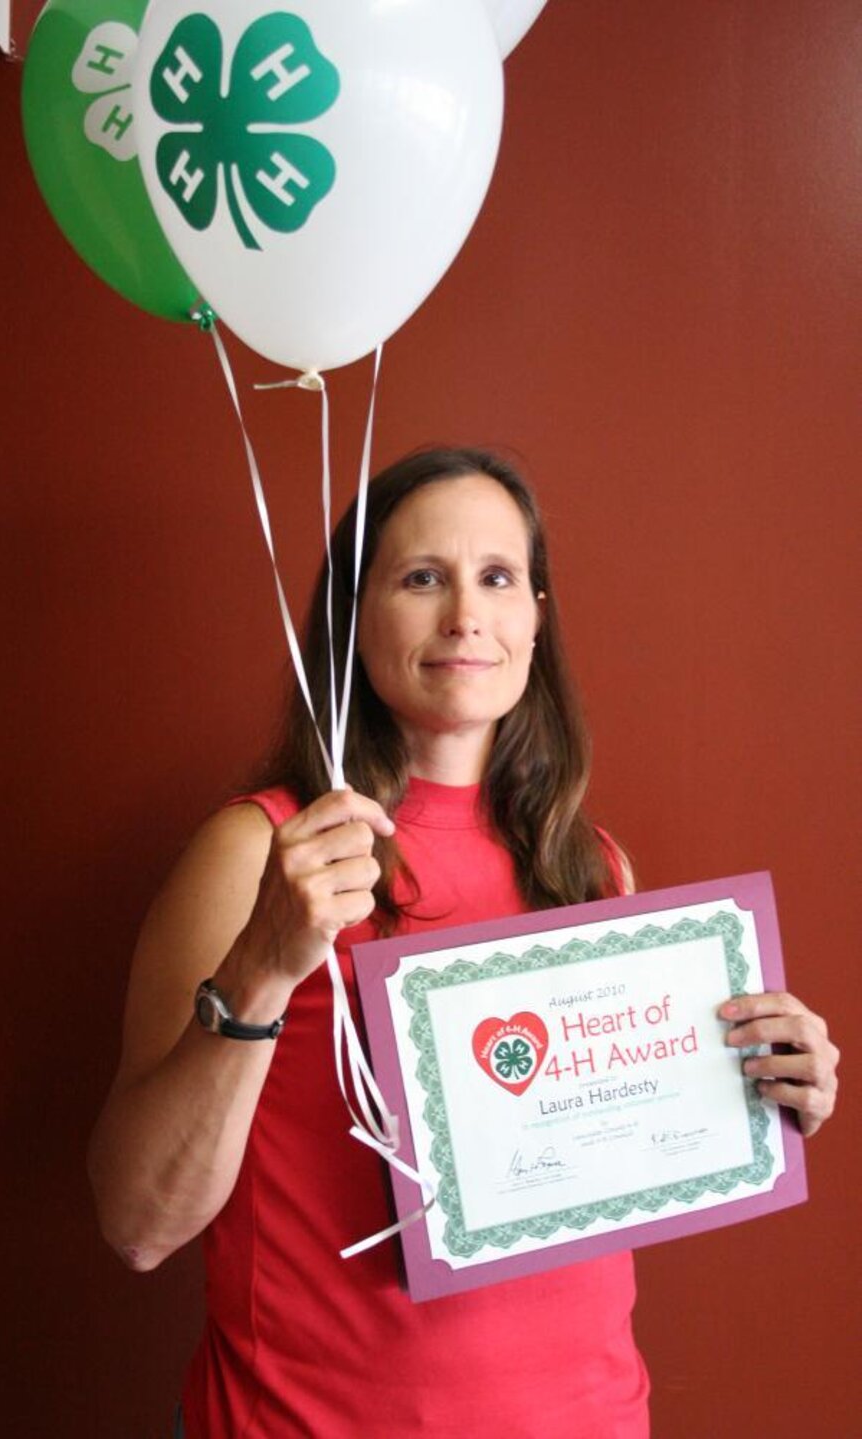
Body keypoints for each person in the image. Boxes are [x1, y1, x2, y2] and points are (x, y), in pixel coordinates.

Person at [88, 448, 839, 1439]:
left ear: (536, 614)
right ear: (354, 620)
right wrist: (262, 964)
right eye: (421, 577)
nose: (465, 614)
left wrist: (765, 1086)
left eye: (496, 576)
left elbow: (616, 1139)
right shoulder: (260, 848)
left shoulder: (591, 864)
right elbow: (139, 1223)